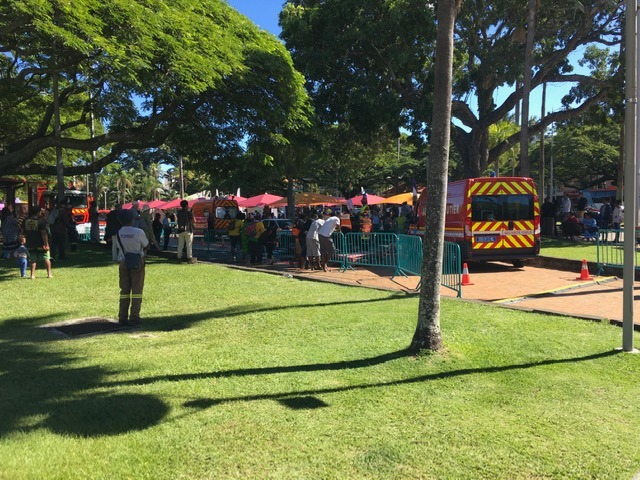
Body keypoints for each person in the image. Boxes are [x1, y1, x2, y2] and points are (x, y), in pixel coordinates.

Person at [114, 208, 149, 326]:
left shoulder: (119, 232)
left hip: (123, 261)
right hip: (137, 261)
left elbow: (118, 247)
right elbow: (146, 245)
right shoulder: (138, 232)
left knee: (124, 290)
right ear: (131, 220)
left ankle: (122, 316)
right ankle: (134, 316)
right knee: (137, 290)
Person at [22, 205, 52, 279]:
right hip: (40, 243)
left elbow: (23, 232)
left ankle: (32, 275)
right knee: (46, 258)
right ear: (38, 212)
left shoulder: (25, 221)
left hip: (30, 243)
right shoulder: (41, 221)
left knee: (32, 259)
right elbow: (43, 234)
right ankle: (49, 274)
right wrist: (46, 244)